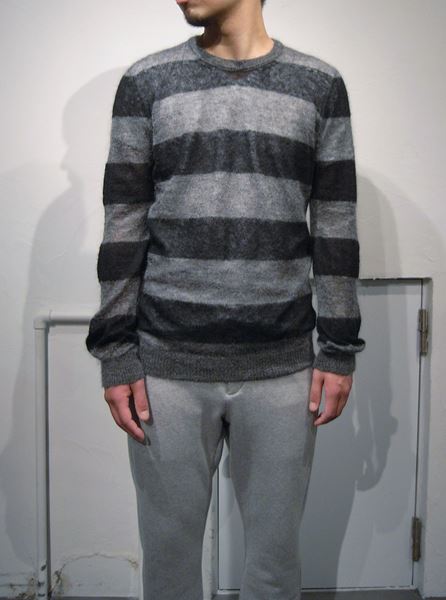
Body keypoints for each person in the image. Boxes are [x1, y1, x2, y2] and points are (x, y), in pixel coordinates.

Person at [85, 0, 366, 598]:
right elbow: (123, 221)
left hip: (283, 368)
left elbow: (336, 222)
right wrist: (116, 354)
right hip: (166, 368)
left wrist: (339, 349)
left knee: (274, 566)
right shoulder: (147, 82)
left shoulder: (319, 85)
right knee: (169, 566)